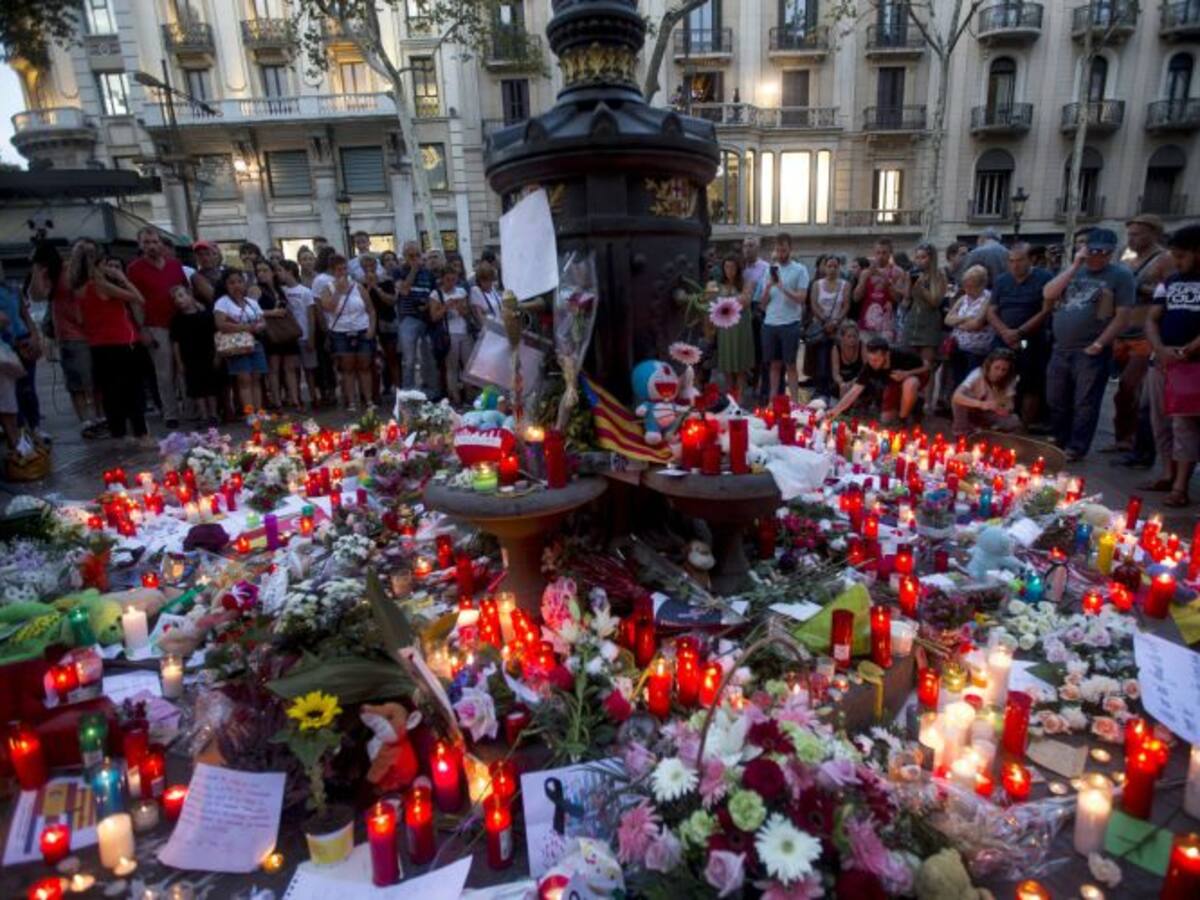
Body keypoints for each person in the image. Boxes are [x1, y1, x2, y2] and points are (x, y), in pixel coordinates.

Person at [1042, 227, 1136, 461]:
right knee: (1056, 398)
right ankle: (1059, 440)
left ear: (1111, 253)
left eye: (1104, 252)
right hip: (1061, 347)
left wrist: (1100, 343)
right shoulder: (1074, 270)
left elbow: (1123, 315)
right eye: (1093, 251)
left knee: (1085, 402)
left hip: (1090, 349)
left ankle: (1076, 446)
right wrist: (1075, 265)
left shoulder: (1120, 276)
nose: (1097, 257)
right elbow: (1049, 293)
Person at [1104, 214, 1174, 454]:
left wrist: (1140, 288)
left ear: (1153, 234)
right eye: (1130, 234)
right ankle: (1122, 438)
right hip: (1122, 332)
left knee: (1131, 386)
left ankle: (1135, 441)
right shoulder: (1128, 257)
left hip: (1144, 334)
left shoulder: (1164, 259)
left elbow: (1170, 291)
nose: (1131, 239)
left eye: (1137, 234)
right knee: (1122, 393)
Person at [1143, 223, 1200, 507]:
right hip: (1164, 361)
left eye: (1181, 256)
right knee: (1160, 420)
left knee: (1184, 424)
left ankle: (1180, 486)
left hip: (1193, 365)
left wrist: (1189, 349)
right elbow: (1153, 318)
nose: (1176, 262)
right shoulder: (1170, 283)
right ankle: (1167, 473)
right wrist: (1159, 348)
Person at [74, 240, 151, 444]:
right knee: (133, 390)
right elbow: (138, 298)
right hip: (121, 342)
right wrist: (123, 279)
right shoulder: (102, 285)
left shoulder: (79, 288)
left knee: (111, 392)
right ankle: (141, 434)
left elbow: (79, 319)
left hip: (98, 345)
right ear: (98, 264)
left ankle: (119, 433)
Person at [986, 243, 1053, 427]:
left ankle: (1024, 426)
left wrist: (1020, 332)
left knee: (1030, 382)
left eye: (1019, 260)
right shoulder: (1002, 280)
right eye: (1011, 261)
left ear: (1030, 260)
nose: (1015, 265)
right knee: (997, 378)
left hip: (1029, 339)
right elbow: (991, 310)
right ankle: (998, 419)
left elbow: (1046, 310)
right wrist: (1005, 332)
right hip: (1003, 337)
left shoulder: (1044, 278)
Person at [126, 227, 188, 428]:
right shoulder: (135, 269)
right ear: (140, 245)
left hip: (180, 323)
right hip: (155, 325)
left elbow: (185, 290)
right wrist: (142, 328)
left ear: (161, 243)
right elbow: (134, 302)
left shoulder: (175, 265)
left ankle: (191, 410)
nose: (151, 246)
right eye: (146, 242)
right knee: (164, 372)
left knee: (183, 369)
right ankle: (170, 413)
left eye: (154, 242)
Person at [45, 242, 104, 437]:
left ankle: (101, 417)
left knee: (97, 379)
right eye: (82, 251)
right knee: (77, 381)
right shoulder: (61, 272)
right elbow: (41, 293)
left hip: (97, 332)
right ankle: (86, 421)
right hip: (71, 334)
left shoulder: (97, 271)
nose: (87, 255)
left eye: (91, 252)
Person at [754, 233, 809, 403]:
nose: (780, 253)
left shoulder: (800, 270)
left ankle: (794, 403)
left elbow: (802, 298)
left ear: (790, 249)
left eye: (783, 250)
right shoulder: (769, 271)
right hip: (770, 323)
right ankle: (773, 401)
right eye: (778, 250)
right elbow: (762, 305)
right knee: (774, 365)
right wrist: (768, 287)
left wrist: (782, 287)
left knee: (791, 365)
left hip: (790, 323)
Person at [826, 336, 929, 424]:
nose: (873, 363)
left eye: (876, 360)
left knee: (910, 384)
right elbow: (854, 391)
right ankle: (909, 407)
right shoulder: (869, 367)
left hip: (912, 378)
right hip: (893, 384)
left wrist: (906, 374)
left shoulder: (902, 355)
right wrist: (835, 410)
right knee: (886, 419)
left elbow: (927, 366)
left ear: (886, 355)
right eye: (870, 359)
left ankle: (903, 419)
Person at [318, 254, 376, 412]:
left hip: (361, 328)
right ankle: (351, 401)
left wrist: (371, 329)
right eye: (339, 270)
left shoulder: (358, 287)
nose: (342, 272)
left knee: (365, 366)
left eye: (344, 269)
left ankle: (368, 400)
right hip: (341, 331)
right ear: (333, 271)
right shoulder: (327, 288)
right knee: (347, 368)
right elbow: (329, 308)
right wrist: (338, 291)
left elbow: (370, 310)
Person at [214, 269, 268, 414]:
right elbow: (220, 324)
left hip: (255, 343)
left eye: (239, 281)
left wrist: (260, 326)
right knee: (244, 380)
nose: (236, 285)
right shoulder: (222, 302)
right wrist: (247, 327)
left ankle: (260, 412)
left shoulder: (251, 302)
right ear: (225, 285)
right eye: (231, 283)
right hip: (237, 346)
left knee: (256, 378)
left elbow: (262, 320)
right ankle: (250, 414)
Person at [900, 242, 947, 408]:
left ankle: (927, 403)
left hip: (929, 322)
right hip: (913, 320)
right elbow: (906, 299)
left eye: (923, 257)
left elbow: (936, 301)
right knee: (909, 362)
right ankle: (910, 400)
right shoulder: (914, 274)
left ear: (931, 258)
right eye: (917, 257)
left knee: (927, 366)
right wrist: (908, 282)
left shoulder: (939, 276)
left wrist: (922, 287)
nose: (919, 260)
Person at [168, 284, 219, 426]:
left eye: (181, 296)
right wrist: (179, 362)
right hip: (190, 359)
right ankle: (203, 415)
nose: (178, 300)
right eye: (175, 298)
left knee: (211, 386)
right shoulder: (177, 320)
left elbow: (215, 336)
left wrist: (217, 354)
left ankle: (213, 414)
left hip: (207, 355)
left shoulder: (206, 316)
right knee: (197, 388)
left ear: (190, 295)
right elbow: (176, 343)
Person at [274, 260, 320, 411]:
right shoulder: (281, 291)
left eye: (280, 270)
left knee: (309, 369)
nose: (277, 274)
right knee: (293, 369)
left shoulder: (305, 291)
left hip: (305, 335)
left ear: (289, 271)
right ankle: (296, 397)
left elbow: (311, 316)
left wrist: (311, 336)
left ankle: (313, 396)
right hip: (290, 336)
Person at [395, 240, 437, 394]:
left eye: (417, 255)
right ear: (405, 256)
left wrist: (427, 306)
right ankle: (408, 391)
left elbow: (433, 294)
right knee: (409, 358)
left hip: (426, 318)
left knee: (428, 356)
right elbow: (404, 290)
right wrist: (413, 270)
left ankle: (430, 389)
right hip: (408, 318)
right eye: (411, 255)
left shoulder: (428, 273)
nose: (415, 258)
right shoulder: (399, 271)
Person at [429, 266, 475, 407]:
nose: (451, 283)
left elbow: (467, 312)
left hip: (464, 331)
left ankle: (469, 396)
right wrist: (445, 307)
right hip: (448, 333)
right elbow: (434, 317)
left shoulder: (461, 291)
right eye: (448, 280)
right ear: (442, 279)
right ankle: (456, 398)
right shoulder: (436, 294)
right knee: (452, 367)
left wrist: (460, 307)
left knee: (468, 366)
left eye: (454, 279)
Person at [951, 348, 1021, 436]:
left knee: (1014, 421)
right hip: (972, 409)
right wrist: (981, 404)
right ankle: (962, 433)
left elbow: (1010, 404)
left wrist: (1003, 408)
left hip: (990, 413)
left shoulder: (1009, 380)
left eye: (1004, 370)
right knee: (960, 401)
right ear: (989, 365)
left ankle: (988, 433)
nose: (999, 373)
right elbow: (956, 396)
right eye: (996, 368)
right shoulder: (977, 374)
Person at [945, 265, 995, 385]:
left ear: (982, 285)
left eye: (971, 287)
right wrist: (966, 318)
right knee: (957, 381)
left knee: (972, 383)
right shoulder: (963, 298)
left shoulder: (988, 298)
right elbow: (947, 320)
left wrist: (957, 323)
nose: (967, 290)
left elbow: (976, 324)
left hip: (976, 350)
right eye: (965, 286)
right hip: (958, 347)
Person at [807, 255, 848, 398]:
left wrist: (836, 321)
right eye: (829, 266)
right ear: (824, 267)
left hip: (838, 327)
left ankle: (834, 389)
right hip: (821, 327)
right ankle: (820, 390)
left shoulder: (845, 285)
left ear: (839, 268)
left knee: (836, 358)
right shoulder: (816, 284)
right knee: (821, 358)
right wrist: (825, 321)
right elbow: (814, 305)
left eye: (835, 266)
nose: (832, 269)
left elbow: (846, 305)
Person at [714, 254, 755, 396]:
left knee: (741, 367)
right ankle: (730, 397)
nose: (729, 270)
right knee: (727, 366)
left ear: (738, 268)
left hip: (741, 329)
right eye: (726, 267)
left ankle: (740, 399)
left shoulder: (747, 283)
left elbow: (745, 301)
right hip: (725, 330)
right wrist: (733, 301)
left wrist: (723, 303)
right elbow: (711, 303)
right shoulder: (719, 285)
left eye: (732, 267)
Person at [361, 254, 399, 396]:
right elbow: (361, 305)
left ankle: (398, 390)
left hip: (387, 322)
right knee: (371, 360)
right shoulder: (359, 285)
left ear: (376, 265)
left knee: (392, 357)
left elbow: (392, 301)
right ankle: (374, 393)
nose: (369, 268)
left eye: (371, 264)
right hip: (369, 325)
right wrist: (368, 288)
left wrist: (376, 287)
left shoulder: (386, 281)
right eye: (366, 265)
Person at [853, 238, 904, 342]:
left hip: (887, 326)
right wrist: (864, 279)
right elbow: (856, 298)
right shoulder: (866, 272)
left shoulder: (897, 272)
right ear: (874, 253)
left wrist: (886, 281)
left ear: (890, 253)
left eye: (884, 253)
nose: (881, 256)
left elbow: (898, 299)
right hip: (866, 324)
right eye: (878, 252)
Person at [830, 320, 864, 398]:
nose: (852, 339)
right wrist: (841, 383)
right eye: (849, 336)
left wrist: (855, 380)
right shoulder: (836, 348)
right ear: (842, 337)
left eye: (854, 336)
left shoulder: (861, 345)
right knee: (840, 388)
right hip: (843, 379)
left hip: (858, 379)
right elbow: (835, 373)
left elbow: (866, 368)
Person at [191, 240, 227, 308]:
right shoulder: (197, 277)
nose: (204, 258)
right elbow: (214, 299)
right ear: (196, 258)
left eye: (207, 254)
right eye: (200, 255)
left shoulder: (224, 271)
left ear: (214, 255)